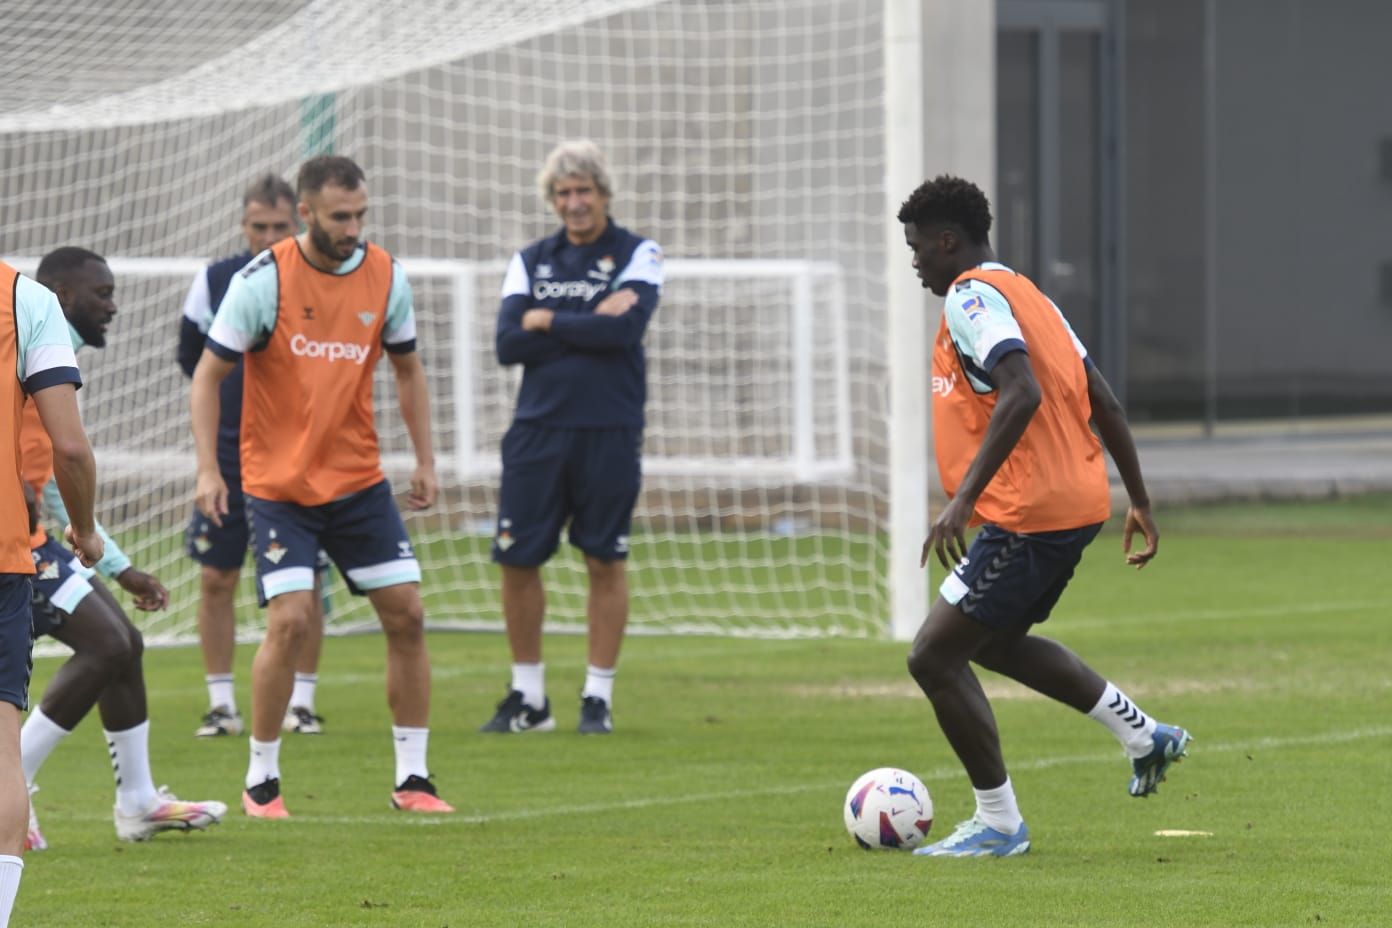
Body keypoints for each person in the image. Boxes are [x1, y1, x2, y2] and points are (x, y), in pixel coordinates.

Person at [897, 176, 1191, 858]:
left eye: (918, 248)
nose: (914, 261)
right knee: (993, 643)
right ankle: (1146, 736)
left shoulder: (972, 297)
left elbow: (1021, 388)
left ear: (949, 242)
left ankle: (999, 824)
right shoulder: (1031, 296)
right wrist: (1139, 499)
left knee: (934, 659)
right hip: (1071, 503)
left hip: (1026, 512)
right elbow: (1106, 400)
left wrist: (963, 500)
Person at [190, 154, 452, 817]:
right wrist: (208, 469)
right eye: (341, 216)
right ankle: (261, 780)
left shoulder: (386, 275)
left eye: (361, 214)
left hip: (359, 484)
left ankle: (415, 779)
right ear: (305, 213)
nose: (354, 227)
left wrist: (425, 458)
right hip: (279, 489)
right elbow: (206, 377)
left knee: (409, 614)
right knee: (291, 621)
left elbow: (409, 370)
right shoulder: (261, 281)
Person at [21, 247, 227, 850]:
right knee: (108, 643)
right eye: (102, 294)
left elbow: (58, 483)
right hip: (11, 542)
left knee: (124, 645)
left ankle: (138, 804)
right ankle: (13, 783)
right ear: (60, 296)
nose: (113, 306)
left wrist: (119, 566)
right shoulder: (29, 343)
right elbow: (65, 461)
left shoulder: (50, 353)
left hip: (33, 535)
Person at [481, 140, 663, 736]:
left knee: (603, 557)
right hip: (536, 429)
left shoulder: (639, 253)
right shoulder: (531, 259)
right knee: (517, 558)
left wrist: (548, 320)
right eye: (563, 192)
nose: (575, 202)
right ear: (552, 200)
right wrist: (588, 319)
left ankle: (597, 697)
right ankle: (529, 698)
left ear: (604, 194)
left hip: (608, 428)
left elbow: (626, 331)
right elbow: (509, 344)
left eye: (584, 190)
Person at [178, 174, 329, 738]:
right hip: (230, 452)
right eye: (258, 227)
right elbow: (194, 361)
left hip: (298, 456)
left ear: (299, 223)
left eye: (279, 227)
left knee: (304, 581)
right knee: (217, 576)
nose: (269, 237)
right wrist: (209, 458)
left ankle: (302, 703)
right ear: (243, 227)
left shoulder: (316, 279)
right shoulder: (218, 280)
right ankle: (221, 704)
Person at [0, 258, 102, 926]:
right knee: (1, 753)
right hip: (3, 550)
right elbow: (70, 446)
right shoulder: (25, 297)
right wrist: (88, 532)